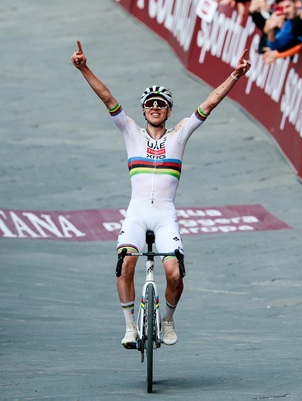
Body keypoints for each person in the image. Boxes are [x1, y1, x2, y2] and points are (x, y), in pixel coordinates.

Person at [70, 40, 251, 348]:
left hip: (165, 214)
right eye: (150, 104)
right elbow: (107, 97)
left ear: (168, 111)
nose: (155, 107)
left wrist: (235, 75)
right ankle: (129, 326)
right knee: (126, 263)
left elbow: (209, 103)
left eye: (161, 104)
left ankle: (167, 320)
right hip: (138, 212)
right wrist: (84, 68)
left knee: (175, 274)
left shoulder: (179, 134)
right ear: (143, 110)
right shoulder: (130, 132)